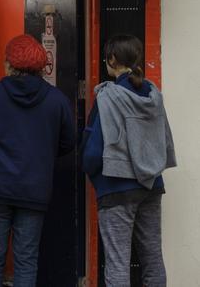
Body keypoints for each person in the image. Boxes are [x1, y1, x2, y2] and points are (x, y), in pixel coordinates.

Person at [0, 34, 75, 287]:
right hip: (35, 189)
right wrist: (42, 154)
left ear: (10, 65)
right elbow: (69, 142)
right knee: (26, 260)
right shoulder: (57, 100)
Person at [81, 34, 176, 287]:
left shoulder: (108, 97)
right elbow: (165, 141)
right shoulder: (153, 96)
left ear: (112, 60)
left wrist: (94, 176)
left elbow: (92, 154)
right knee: (153, 259)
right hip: (151, 185)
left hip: (115, 188)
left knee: (118, 263)